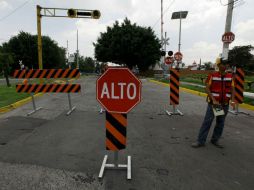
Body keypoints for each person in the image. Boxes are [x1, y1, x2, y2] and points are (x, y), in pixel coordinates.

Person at [192, 58, 235, 148]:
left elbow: (232, 89)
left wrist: (233, 100)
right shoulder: (213, 75)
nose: (225, 65)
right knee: (208, 122)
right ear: (219, 65)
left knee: (220, 123)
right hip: (215, 104)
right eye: (223, 64)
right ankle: (200, 141)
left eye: (226, 64)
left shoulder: (230, 76)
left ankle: (215, 140)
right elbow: (207, 88)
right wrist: (214, 100)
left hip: (224, 104)